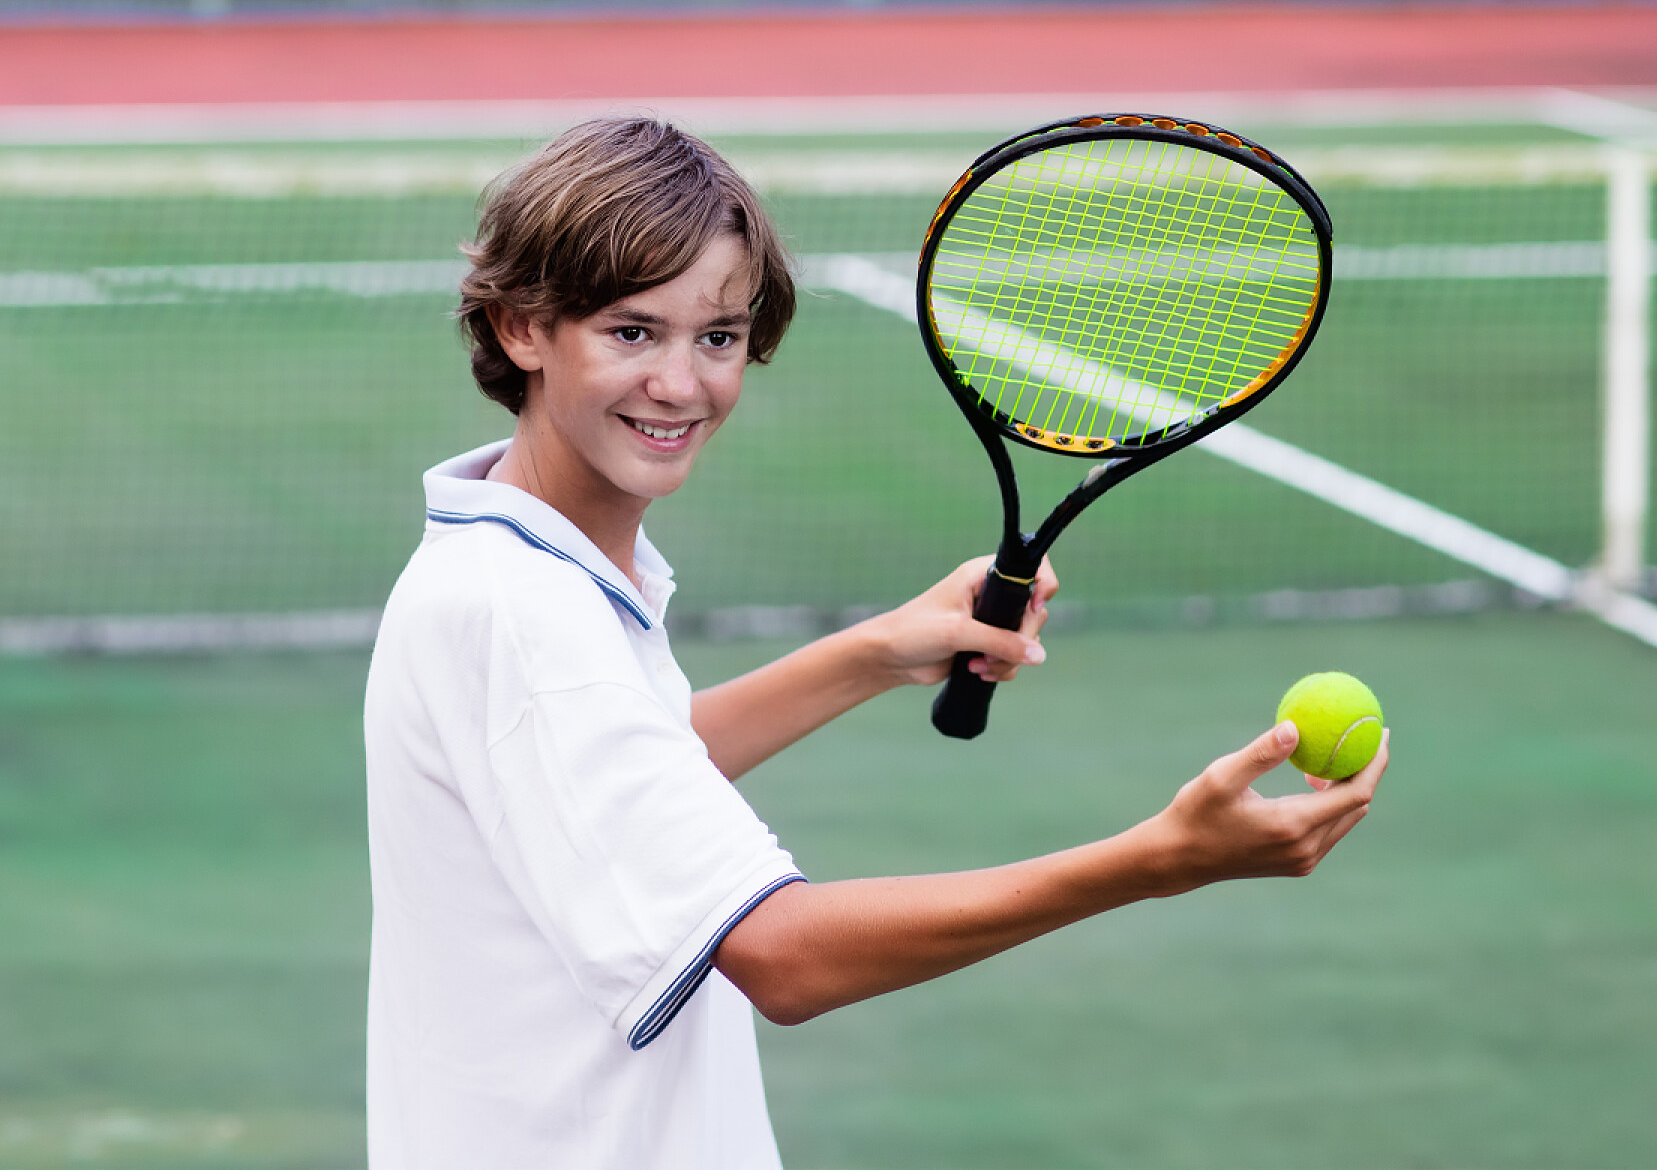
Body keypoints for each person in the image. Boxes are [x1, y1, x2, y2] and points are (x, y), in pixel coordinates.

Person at [363, 115, 1388, 1169]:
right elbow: (784, 958)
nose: (682, 382)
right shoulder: (527, 619)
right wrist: (1158, 859)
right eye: (632, 332)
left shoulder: (522, 567)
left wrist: (878, 650)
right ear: (522, 328)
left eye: (717, 336)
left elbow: (618, 771)